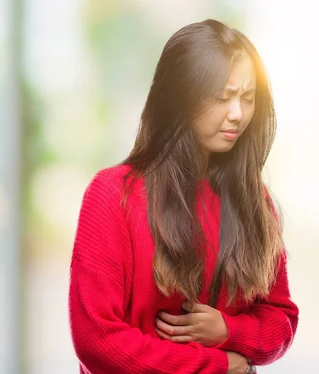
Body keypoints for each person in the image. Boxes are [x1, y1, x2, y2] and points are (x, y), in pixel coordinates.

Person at [68, 19, 299, 374]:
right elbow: (96, 340)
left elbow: (280, 319)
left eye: (248, 99)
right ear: (180, 99)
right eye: (223, 97)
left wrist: (229, 331)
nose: (237, 114)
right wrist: (217, 365)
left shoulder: (254, 200)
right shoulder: (112, 195)